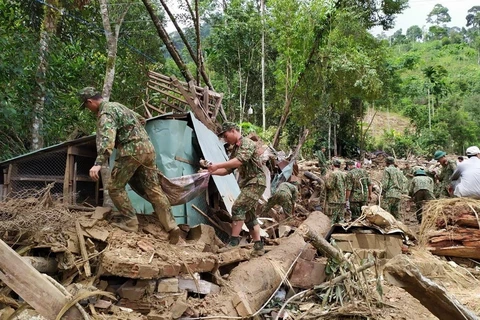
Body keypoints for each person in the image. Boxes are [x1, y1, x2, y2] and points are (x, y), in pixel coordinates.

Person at [78, 87, 181, 243]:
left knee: (114, 187)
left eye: (86, 106)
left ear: (90, 101)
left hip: (131, 151)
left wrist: (98, 163)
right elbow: (142, 120)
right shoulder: (119, 106)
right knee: (153, 189)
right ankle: (172, 226)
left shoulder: (105, 114)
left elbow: (107, 140)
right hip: (148, 149)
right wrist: (135, 135)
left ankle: (130, 222)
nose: (88, 109)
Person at [208, 122, 266, 257]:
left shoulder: (246, 143)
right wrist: (210, 172)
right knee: (249, 216)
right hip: (248, 183)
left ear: (233, 131)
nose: (225, 139)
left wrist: (216, 165)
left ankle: (233, 242)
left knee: (237, 208)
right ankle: (258, 247)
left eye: (226, 135)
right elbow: (228, 170)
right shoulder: (235, 149)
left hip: (256, 182)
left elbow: (239, 161)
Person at [325, 159, 346, 223]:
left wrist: (326, 180)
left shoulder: (332, 174)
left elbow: (329, 186)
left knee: (332, 218)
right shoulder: (343, 174)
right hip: (342, 199)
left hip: (334, 199)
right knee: (341, 218)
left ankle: (330, 231)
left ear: (332, 165)